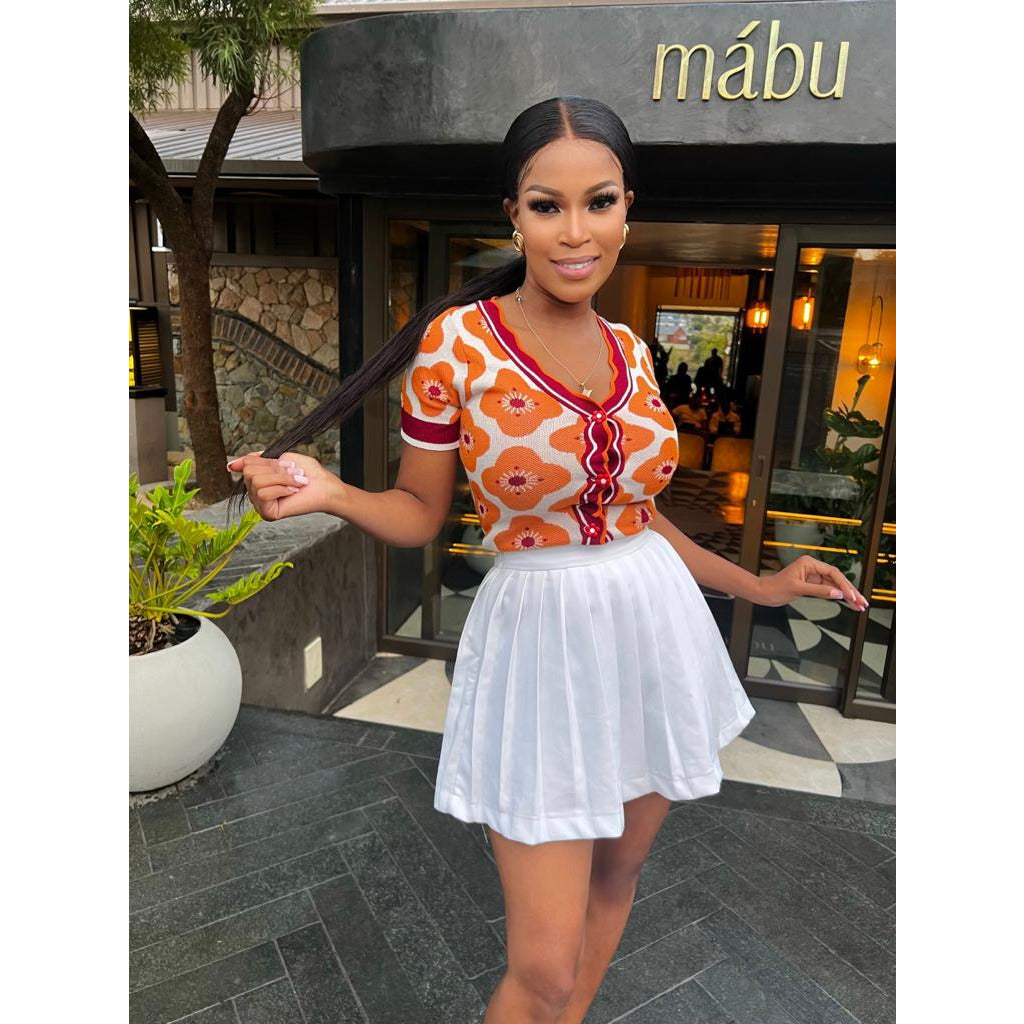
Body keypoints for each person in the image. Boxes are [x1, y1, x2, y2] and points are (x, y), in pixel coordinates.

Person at [226, 96, 868, 1024]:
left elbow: (642, 520)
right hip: (542, 650)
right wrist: (330, 492)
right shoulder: (458, 347)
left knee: (620, 876)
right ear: (513, 217)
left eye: (598, 201)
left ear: (627, 210)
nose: (575, 231)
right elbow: (419, 512)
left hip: (654, 638)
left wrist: (760, 585)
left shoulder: (634, 352)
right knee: (541, 969)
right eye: (546, 205)